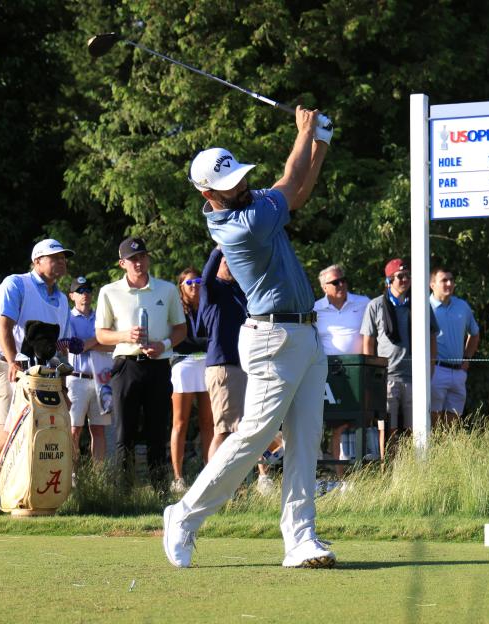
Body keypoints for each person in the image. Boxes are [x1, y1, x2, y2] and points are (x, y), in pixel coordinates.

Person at [165, 106, 334, 569]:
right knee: (253, 438)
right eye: (227, 187)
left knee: (305, 438)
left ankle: (301, 539)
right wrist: (303, 135)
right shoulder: (241, 225)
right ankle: (183, 516)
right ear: (206, 194)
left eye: (238, 179)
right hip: (272, 339)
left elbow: (296, 193)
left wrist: (320, 145)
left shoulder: (248, 203)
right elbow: (288, 179)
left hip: (305, 334)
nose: (238, 187)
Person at [0, 238, 75, 517]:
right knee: (6, 434)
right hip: (9, 366)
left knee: (34, 436)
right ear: (37, 261)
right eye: (54, 257)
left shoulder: (61, 300)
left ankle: (25, 496)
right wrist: (12, 362)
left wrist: (64, 387)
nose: (61, 262)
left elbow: (60, 348)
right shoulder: (16, 284)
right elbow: (4, 327)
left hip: (41, 374)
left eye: (63, 258)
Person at [95, 237, 187, 482]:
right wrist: (126, 335)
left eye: (142, 257)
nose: (138, 262)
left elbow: (180, 329)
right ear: (122, 263)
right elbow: (101, 334)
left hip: (158, 365)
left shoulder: (166, 289)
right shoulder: (109, 292)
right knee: (124, 431)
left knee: (157, 430)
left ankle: (160, 490)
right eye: (133, 259)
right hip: (126, 364)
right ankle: (124, 491)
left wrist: (163, 345)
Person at [199, 246, 273, 493]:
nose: (229, 264)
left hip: (243, 366)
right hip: (223, 367)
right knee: (224, 430)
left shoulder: (240, 292)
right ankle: (211, 487)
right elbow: (207, 275)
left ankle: (241, 482)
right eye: (225, 261)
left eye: (233, 261)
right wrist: (218, 249)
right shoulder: (212, 289)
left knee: (244, 427)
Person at [361, 259, 438, 457]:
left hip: (415, 378)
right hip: (387, 377)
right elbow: (368, 342)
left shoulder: (421, 305)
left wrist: (430, 370)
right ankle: (389, 470)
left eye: (408, 276)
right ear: (388, 280)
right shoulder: (376, 305)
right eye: (400, 276)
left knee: (416, 429)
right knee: (388, 429)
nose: (405, 280)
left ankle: (414, 469)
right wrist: (371, 375)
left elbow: (432, 337)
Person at [313, 264, 370, 471]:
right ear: (324, 287)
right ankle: (334, 475)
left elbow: (373, 332)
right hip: (326, 373)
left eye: (343, 280)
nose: (341, 284)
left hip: (357, 372)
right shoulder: (315, 309)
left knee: (353, 422)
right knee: (330, 422)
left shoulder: (363, 303)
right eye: (335, 282)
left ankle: (358, 475)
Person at [169, 267, 213, 494]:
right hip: (183, 364)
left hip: (207, 364)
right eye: (189, 283)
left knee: (208, 422)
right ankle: (177, 477)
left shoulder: (209, 306)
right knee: (181, 422)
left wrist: (198, 342)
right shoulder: (176, 309)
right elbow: (178, 343)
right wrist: (201, 342)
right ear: (181, 287)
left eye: (198, 281)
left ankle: (209, 471)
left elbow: (213, 339)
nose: (194, 286)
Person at [65, 276, 115, 464]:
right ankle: (72, 475)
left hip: (102, 380)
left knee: (98, 430)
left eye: (87, 290)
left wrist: (89, 343)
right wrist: (100, 338)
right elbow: (74, 347)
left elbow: (114, 345)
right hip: (76, 380)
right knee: (73, 430)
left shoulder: (102, 316)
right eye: (80, 291)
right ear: (72, 296)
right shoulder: (67, 317)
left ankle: (98, 477)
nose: (85, 294)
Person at [429, 267, 480, 425]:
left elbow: (475, 333)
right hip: (435, 370)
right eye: (444, 280)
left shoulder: (462, 306)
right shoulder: (424, 307)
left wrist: (467, 358)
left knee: (453, 424)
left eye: (451, 280)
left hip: (458, 371)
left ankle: (448, 450)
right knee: (434, 420)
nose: (449, 283)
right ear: (432, 285)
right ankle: (434, 450)